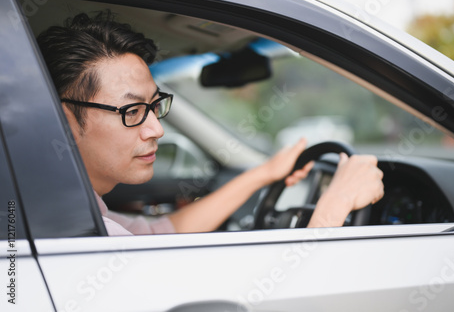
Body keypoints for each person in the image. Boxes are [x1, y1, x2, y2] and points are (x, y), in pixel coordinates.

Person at [37, 12, 384, 235]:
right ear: (64, 122)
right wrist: (334, 208)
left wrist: (266, 173)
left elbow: (161, 233)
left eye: (155, 106)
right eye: (132, 112)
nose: (156, 129)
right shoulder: (73, 234)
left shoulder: (72, 207)